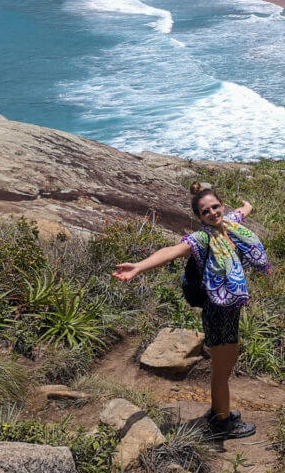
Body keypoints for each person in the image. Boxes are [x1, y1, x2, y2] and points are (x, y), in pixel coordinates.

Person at [112, 183, 271, 439]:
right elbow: (172, 251)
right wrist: (139, 267)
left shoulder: (229, 224)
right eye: (205, 211)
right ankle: (222, 422)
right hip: (217, 313)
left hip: (228, 310)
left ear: (222, 206)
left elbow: (243, 211)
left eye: (215, 207)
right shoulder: (203, 237)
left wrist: (247, 206)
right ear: (199, 217)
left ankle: (220, 410)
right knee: (222, 370)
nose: (212, 213)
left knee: (225, 366)